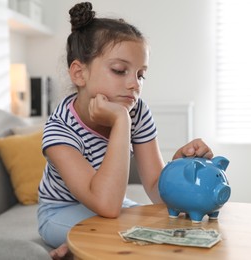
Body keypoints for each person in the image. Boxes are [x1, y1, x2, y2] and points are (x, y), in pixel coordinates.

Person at [37, 2, 213, 259]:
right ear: (79, 73)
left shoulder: (136, 110)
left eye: (141, 75)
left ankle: (80, 248)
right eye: (120, 71)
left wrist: (179, 168)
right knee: (129, 231)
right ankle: (80, 247)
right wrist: (121, 123)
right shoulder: (60, 130)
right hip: (60, 211)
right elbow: (106, 205)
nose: (134, 84)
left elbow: (156, 189)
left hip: (114, 203)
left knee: (164, 223)